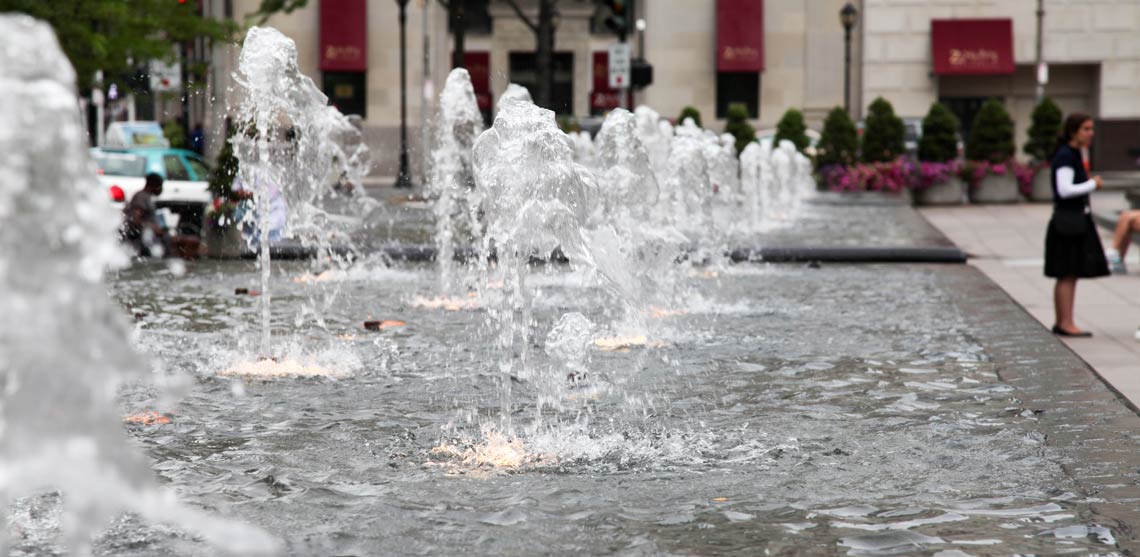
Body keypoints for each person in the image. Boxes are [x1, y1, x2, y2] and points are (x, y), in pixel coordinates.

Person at [1044, 113, 1107, 337]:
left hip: (1073, 219)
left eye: (1091, 129)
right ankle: (1065, 322)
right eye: (1086, 129)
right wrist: (1092, 184)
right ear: (1074, 132)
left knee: (1069, 273)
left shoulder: (1074, 154)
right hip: (1068, 220)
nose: (1091, 133)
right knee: (1067, 273)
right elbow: (1064, 189)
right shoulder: (1066, 155)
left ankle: (1065, 321)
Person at [121, 172, 171, 257]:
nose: (161, 189)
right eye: (160, 185)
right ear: (154, 184)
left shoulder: (147, 196)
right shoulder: (141, 197)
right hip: (145, 235)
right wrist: (153, 228)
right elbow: (135, 219)